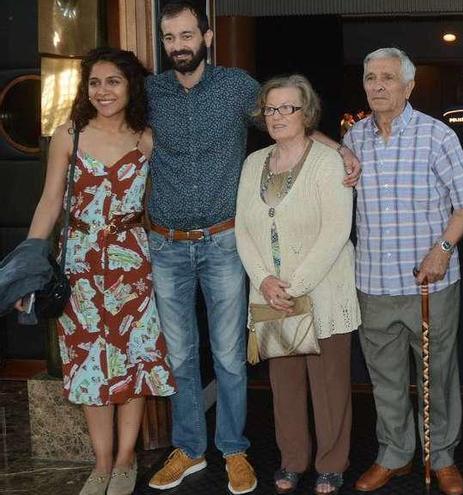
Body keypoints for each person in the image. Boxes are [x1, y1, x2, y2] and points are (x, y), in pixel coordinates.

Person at [145, 3, 359, 493]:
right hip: (168, 244)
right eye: (169, 36)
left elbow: (286, 118)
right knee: (179, 356)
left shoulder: (238, 87)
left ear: (207, 35)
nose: (178, 44)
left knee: (228, 354)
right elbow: (118, 129)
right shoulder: (151, 92)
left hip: (222, 242)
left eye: (186, 34)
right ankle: (190, 450)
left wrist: (340, 148)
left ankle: (235, 451)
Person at [17, 47, 175, 495]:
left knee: (134, 358)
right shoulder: (70, 134)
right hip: (80, 261)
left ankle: (126, 458)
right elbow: (50, 201)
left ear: (131, 87)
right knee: (88, 361)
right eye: (95, 82)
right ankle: (101, 462)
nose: (103, 91)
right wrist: (32, 258)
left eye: (113, 82)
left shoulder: (147, 137)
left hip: (133, 259)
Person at [343, 47, 463, 495]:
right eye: (370, 77)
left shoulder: (436, 136)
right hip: (372, 284)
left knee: (436, 375)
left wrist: (443, 249)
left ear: (408, 86)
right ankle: (394, 454)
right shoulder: (354, 139)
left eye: (387, 78)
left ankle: (440, 457)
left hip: (430, 282)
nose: (378, 85)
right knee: (383, 379)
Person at [235, 74, 360, 495]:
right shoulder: (254, 163)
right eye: (271, 109)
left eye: (287, 107)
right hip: (271, 294)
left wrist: (295, 285)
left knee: (329, 387)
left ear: (306, 113)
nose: (278, 116)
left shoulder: (329, 162)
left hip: (322, 292)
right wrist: (265, 280)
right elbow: (243, 230)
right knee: (284, 387)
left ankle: (331, 465)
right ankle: (292, 461)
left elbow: (336, 231)